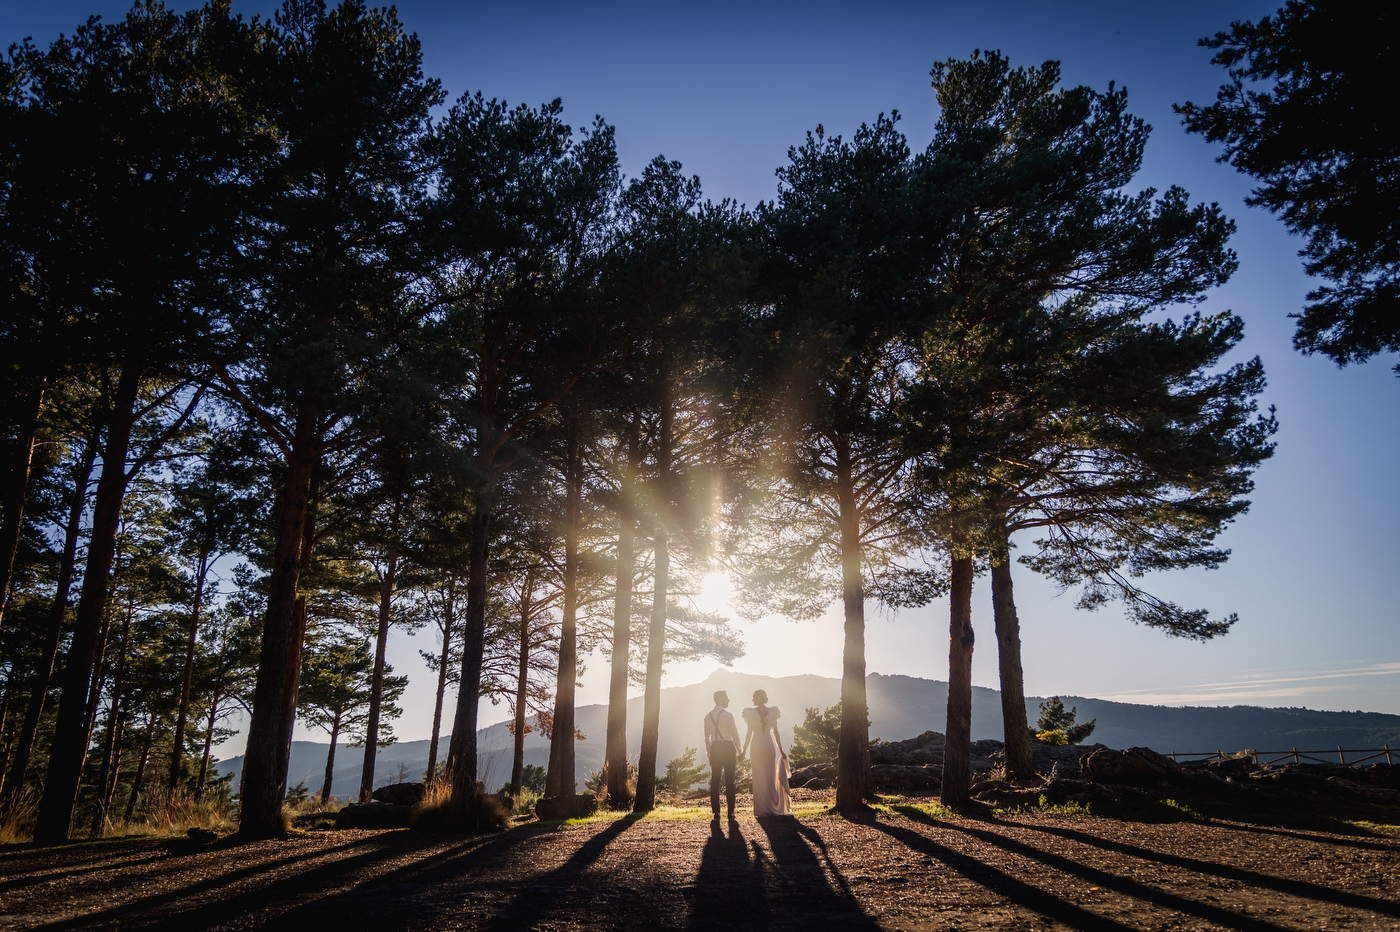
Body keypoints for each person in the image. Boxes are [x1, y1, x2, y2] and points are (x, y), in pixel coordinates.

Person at [741, 689, 791, 817]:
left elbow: (748, 733)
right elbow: (775, 732)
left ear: (760, 698)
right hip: (768, 744)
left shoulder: (750, 713)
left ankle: (762, 808)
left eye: (754, 697)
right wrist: (780, 748)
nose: (753, 700)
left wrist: (744, 750)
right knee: (769, 774)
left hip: (757, 744)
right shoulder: (773, 712)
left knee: (759, 776)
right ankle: (771, 805)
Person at [703, 689, 742, 819]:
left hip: (715, 749)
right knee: (730, 781)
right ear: (720, 699)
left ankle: (716, 812)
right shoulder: (728, 715)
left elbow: (707, 739)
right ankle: (731, 811)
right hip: (728, 748)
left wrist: (709, 754)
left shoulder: (707, 717)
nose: (728, 700)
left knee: (715, 781)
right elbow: (735, 734)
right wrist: (740, 751)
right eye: (726, 697)